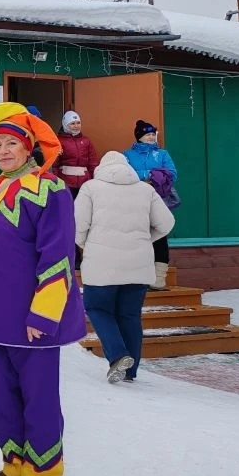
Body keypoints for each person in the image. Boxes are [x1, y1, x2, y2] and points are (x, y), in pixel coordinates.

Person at [0, 102, 86, 476]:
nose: (3, 151)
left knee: (38, 400)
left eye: (11, 144)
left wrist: (44, 313)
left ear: (28, 147)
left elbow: (58, 254)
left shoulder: (50, 189)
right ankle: (15, 466)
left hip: (30, 320)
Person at [76, 151, 175, 383]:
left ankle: (118, 356)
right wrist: (144, 239)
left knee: (97, 309)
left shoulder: (91, 188)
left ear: (101, 168)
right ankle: (130, 372)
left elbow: (77, 226)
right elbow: (167, 223)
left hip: (101, 265)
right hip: (138, 265)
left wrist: (87, 244)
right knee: (130, 315)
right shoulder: (145, 190)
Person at [124, 120, 178, 289]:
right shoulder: (127, 154)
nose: (151, 137)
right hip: (135, 201)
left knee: (160, 235)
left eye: (153, 134)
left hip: (158, 201)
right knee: (138, 236)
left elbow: (172, 174)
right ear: (139, 136)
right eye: (148, 134)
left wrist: (148, 177)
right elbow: (126, 174)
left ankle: (159, 278)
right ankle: (139, 276)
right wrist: (150, 174)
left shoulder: (162, 154)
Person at [55, 111, 98, 199]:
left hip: (84, 183)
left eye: (78, 123)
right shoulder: (58, 141)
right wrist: (55, 181)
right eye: (72, 123)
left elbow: (93, 162)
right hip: (66, 183)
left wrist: (94, 178)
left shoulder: (86, 141)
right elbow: (54, 164)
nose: (76, 126)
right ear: (65, 124)